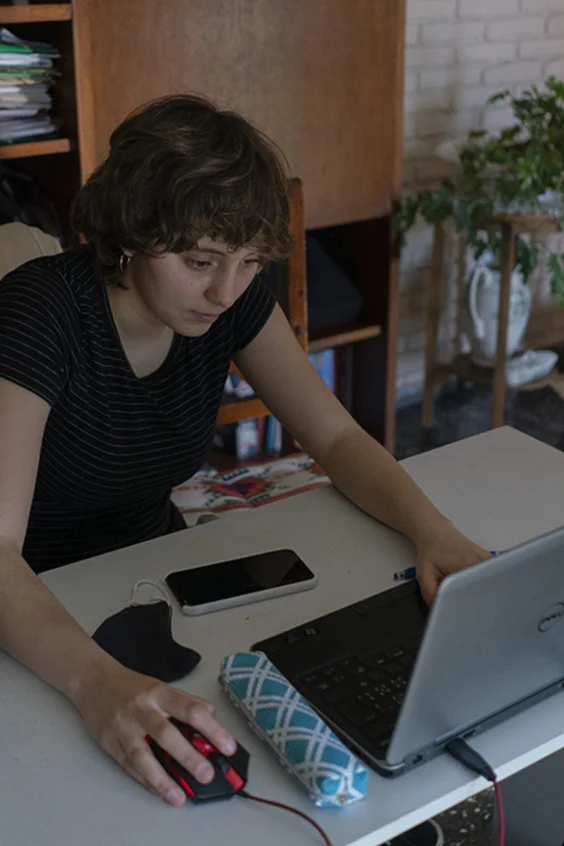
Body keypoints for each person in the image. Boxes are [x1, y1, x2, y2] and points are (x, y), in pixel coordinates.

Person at [0, 95, 488, 841]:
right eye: (198, 262)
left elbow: (335, 437)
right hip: (33, 618)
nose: (227, 291)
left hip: (151, 581)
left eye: (251, 262)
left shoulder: (228, 300)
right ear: (128, 231)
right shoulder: (39, 315)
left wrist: (435, 532)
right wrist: (97, 683)